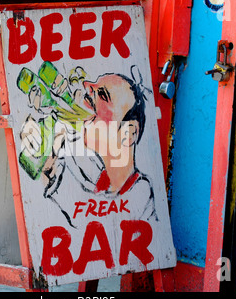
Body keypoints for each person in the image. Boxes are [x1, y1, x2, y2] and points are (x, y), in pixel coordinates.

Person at [20, 65, 156, 227]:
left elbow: (97, 223)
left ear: (128, 133)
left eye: (104, 95)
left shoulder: (140, 195)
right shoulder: (95, 175)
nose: (86, 86)